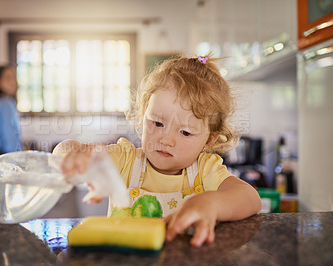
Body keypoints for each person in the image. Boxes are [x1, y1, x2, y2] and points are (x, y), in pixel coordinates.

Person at [53, 55, 262, 247]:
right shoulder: (126, 160)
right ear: (144, 115)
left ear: (209, 139)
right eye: (157, 123)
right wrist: (75, 153)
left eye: (186, 132)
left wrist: (211, 203)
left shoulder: (204, 170)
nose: (166, 139)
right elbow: (64, 150)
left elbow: (251, 198)